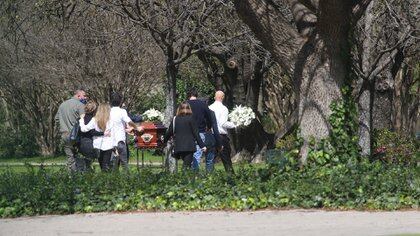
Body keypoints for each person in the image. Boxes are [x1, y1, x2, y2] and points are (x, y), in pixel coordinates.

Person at [164, 102, 207, 170]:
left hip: (179, 146)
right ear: (189, 109)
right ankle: (184, 179)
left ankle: (184, 178)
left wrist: (164, 141)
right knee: (186, 166)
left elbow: (169, 132)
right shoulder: (191, 118)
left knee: (186, 164)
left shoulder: (175, 119)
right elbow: (196, 134)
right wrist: (202, 146)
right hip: (189, 146)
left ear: (179, 109)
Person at [187, 88, 221, 172]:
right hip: (200, 132)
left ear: (188, 95)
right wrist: (208, 127)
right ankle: (201, 176)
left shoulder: (185, 104)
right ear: (196, 95)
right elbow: (210, 118)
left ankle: (193, 176)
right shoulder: (203, 104)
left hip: (188, 133)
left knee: (193, 157)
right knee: (198, 155)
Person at [109, 93, 143, 171]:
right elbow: (129, 121)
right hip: (120, 141)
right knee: (124, 164)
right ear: (120, 102)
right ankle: (126, 181)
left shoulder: (108, 112)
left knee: (113, 165)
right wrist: (136, 128)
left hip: (110, 141)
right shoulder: (122, 111)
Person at [55, 89, 87, 172]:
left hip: (64, 134)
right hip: (76, 135)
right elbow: (84, 120)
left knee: (70, 157)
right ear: (78, 95)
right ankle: (81, 174)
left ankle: (71, 176)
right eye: (84, 95)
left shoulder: (62, 105)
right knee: (80, 156)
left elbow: (57, 119)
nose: (85, 97)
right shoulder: (80, 105)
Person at [79, 103, 113, 171]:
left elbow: (84, 129)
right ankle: (107, 179)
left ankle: (102, 178)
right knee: (106, 165)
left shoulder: (95, 119)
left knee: (101, 164)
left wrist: (81, 120)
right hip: (108, 144)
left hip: (97, 144)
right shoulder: (111, 120)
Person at [209, 91, 236, 174]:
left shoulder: (209, 107)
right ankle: (230, 175)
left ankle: (209, 175)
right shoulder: (224, 108)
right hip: (221, 136)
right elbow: (223, 123)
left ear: (214, 97)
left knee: (210, 158)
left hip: (211, 135)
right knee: (226, 157)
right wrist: (234, 124)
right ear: (223, 97)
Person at [79, 101, 104, 171]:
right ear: (94, 110)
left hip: (82, 142)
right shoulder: (93, 119)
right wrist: (103, 133)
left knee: (87, 163)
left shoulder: (82, 118)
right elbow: (92, 132)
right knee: (90, 163)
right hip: (89, 142)